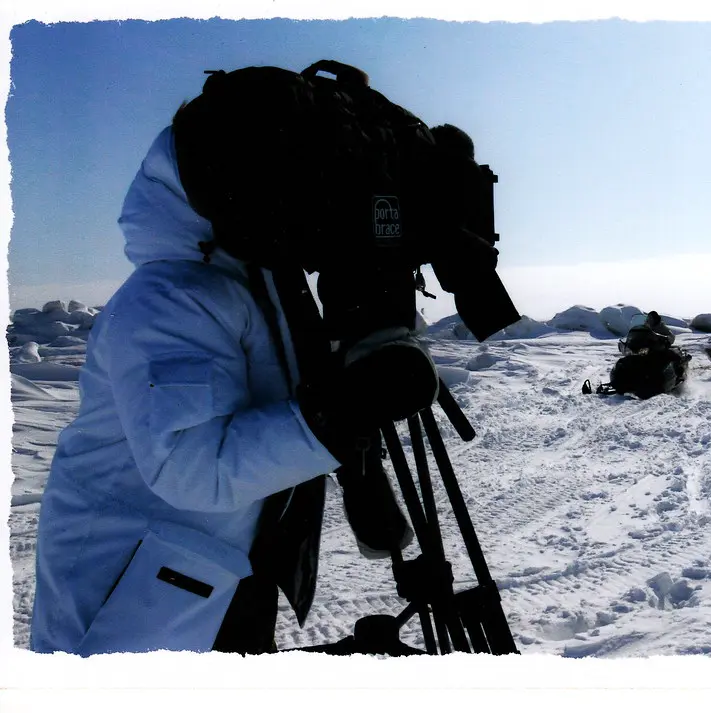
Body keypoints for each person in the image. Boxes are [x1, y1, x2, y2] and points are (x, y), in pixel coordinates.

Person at [29, 64, 436, 656]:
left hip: (206, 573)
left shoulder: (254, 280)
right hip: (129, 601)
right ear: (236, 179)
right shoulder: (170, 300)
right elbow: (192, 469)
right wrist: (343, 411)